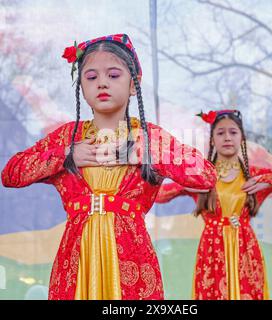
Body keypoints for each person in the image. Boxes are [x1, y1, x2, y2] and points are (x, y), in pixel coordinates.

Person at [1, 34, 217, 300]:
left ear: (133, 85)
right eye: (91, 77)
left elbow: (205, 176)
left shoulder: (149, 137)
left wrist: (142, 152)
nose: (102, 82)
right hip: (77, 260)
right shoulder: (69, 137)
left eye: (113, 75)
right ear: (81, 87)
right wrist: (67, 155)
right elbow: (11, 173)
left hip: (132, 261)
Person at [156, 109, 272, 300]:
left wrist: (270, 179)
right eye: (220, 133)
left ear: (242, 138)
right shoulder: (202, 176)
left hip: (245, 248)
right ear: (212, 140)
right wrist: (186, 183)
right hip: (212, 250)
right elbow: (158, 196)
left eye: (233, 132)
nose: (227, 137)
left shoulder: (255, 175)